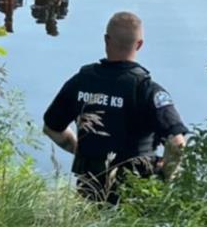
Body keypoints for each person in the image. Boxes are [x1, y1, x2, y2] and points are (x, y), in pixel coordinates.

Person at [43, 12, 187, 204]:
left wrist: (80, 151)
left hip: (90, 191)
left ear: (106, 40)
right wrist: (165, 176)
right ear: (139, 44)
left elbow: (51, 128)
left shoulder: (81, 82)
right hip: (135, 195)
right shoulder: (147, 90)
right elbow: (177, 143)